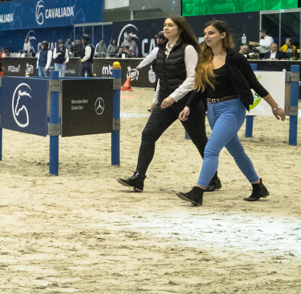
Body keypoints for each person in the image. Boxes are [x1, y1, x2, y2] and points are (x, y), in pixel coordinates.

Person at [175, 21, 286, 206]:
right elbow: (200, 88)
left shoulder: (236, 58)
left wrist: (275, 106)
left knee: (211, 149)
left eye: (211, 32)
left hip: (232, 109)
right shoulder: (205, 58)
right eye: (205, 33)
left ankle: (198, 191)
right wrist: (187, 107)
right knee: (237, 152)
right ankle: (258, 186)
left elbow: (254, 83)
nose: (207, 36)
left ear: (223, 35)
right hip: (212, 110)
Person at [117, 16, 215, 194]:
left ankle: (213, 179)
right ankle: (139, 177)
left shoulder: (189, 49)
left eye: (170, 25)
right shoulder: (161, 49)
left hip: (187, 103)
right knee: (148, 134)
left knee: (200, 141)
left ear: (180, 29)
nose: (166, 28)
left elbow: (193, 79)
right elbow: (163, 78)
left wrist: (174, 96)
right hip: (165, 102)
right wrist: (156, 100)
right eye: (165, 25)